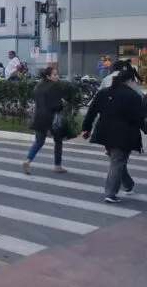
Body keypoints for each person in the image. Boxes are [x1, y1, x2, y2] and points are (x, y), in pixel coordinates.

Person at [82, 69, 145, 203]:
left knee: (118, 160)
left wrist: (86, 128)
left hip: (104, 133)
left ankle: (128, 185)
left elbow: (91, 111)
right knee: (117, 162)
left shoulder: (104, 92)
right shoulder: (133, 96)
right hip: (125, 135)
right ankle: (110, 193)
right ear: (130, 81)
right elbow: (139, 119)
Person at [23, 67, 67, 174]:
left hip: (39, 117)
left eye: (57, 74)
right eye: (54, 74)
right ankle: (57, 166)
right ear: (48, 76)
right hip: (52, 118)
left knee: (39, 142)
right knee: (58, 141)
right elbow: (56, 105)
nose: (57, 76)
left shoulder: (38, 86)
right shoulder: (54, 87)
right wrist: (63, 104)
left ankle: (28, 160)